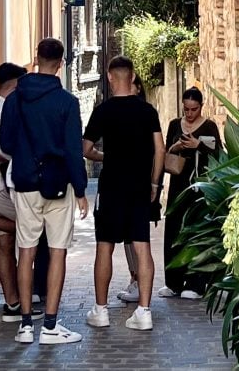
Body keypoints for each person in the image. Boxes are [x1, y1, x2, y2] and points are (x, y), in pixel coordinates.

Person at [0, 37, 88, 346]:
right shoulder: (67, 102)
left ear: (36, 59)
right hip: (57, 184)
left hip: (24, 182)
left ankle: (25, 325)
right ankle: (50, 325)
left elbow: (6, 143)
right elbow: (74, 150)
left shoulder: (15, 98)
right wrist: (80, 189)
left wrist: (25, 156)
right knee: (57, 250)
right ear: (60, 64)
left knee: (26, 251)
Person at [82, 56, 165, 331]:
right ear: (132, 77)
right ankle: (144, 311)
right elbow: (160, 149)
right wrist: (155, 184)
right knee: (142, 246)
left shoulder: (103, 111)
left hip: (111, 187)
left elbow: (85, 149)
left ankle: (101, 310)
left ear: (109, 77)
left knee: (104, 246)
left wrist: (106, 156)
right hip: (140, 186)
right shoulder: (148, 111)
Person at [0, 61, 44, 323]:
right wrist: (17, 156)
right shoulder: (1, 110)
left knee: (4, 243)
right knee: (35, 225)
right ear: (14, 86)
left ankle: (12, 304)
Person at [159, 87, 221, 299]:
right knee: (174, 229)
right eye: (186, 109)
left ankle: (195, 284)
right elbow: (166, 152)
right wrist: (177, 146)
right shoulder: (175, 125)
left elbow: (219, 155)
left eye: (193, 109)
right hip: (178, 185)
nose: (189, 114)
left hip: (200, 186)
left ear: (200, 107)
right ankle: (173, 281)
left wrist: (199, 146)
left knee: (197, 230)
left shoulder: (210, 126)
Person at [117, 75, 147, 305]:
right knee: (130, 237)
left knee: (136, 237)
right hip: (130, 183)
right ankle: (135, 279)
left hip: (137, 183)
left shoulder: (145, 113)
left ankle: (139, 283)